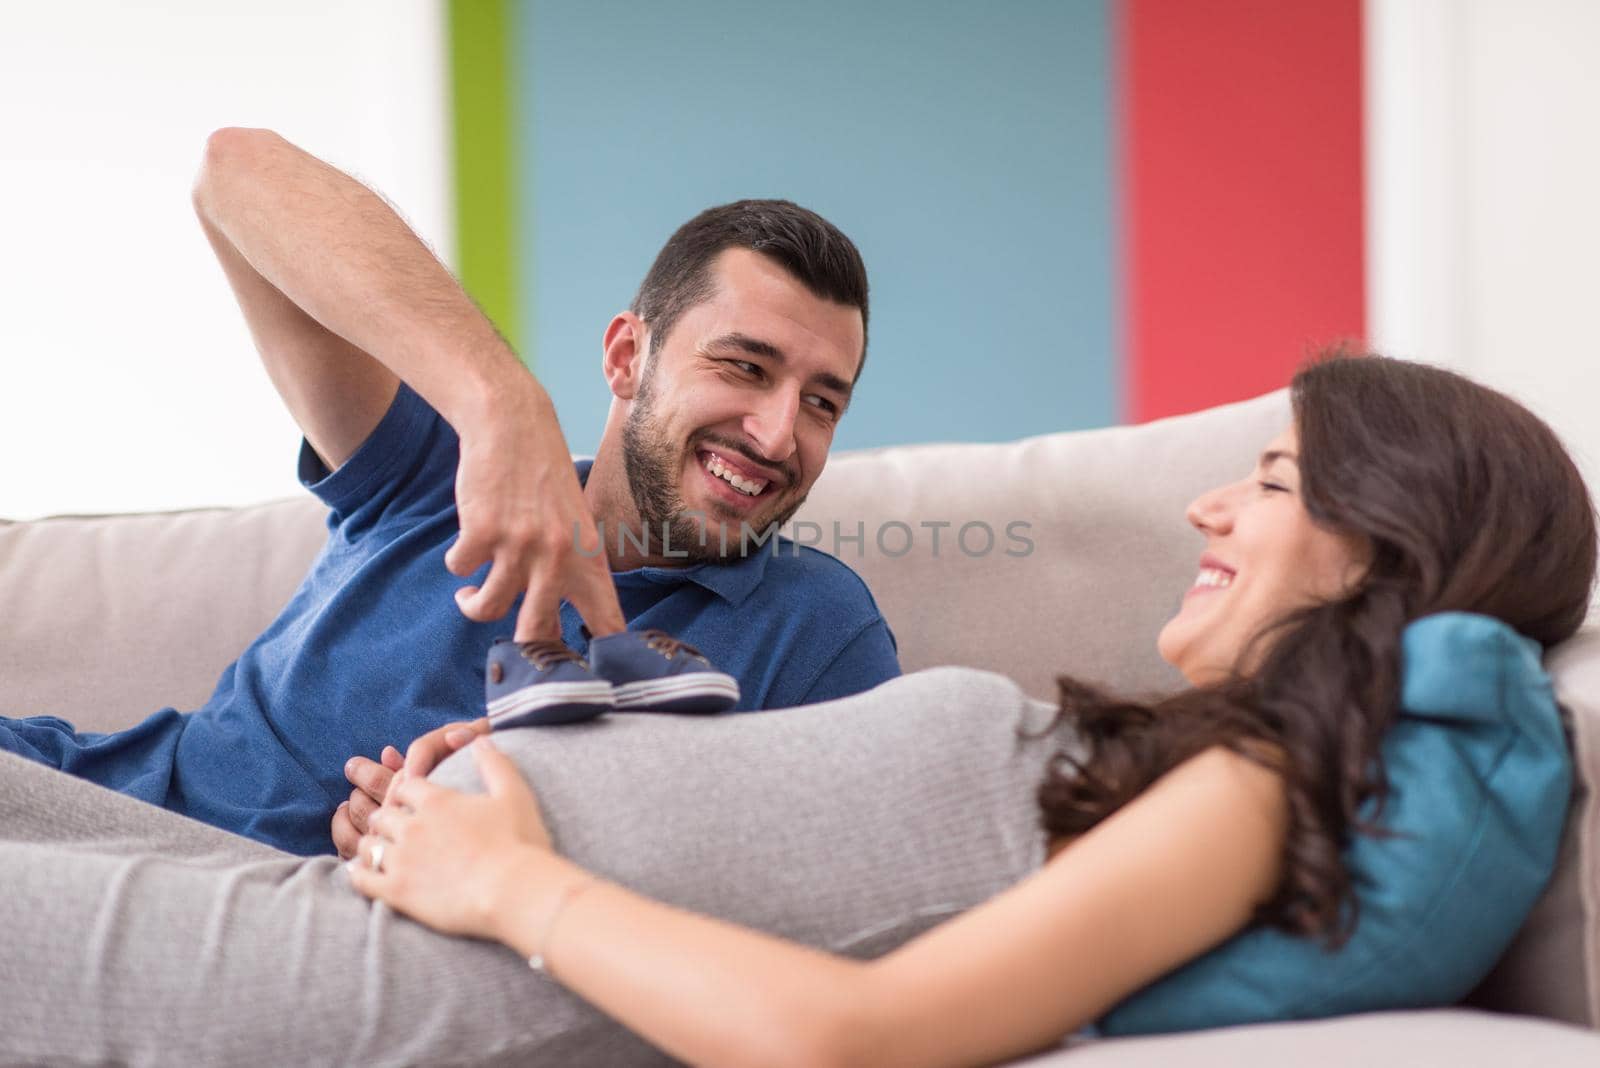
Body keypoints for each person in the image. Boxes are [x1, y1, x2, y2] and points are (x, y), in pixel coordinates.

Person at [0, 354, 1589, 1067]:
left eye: (1268, 482)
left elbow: (859, 1035)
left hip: (401, 964)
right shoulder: (1183, 769)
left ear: (1384, 543)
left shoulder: (1253, 792)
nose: (1206, 512)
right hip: (375, 888)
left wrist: (515, 882)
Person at [0, 129, 900, 858]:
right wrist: (498, 401)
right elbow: (237, 173)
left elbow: (828, 890)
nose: (779, 435)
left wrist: (499, 829)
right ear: (628, 358)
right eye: (745, 367)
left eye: (823, 402)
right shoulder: (443, 469)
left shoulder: (813, 628)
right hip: (100, 822)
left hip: (334, 951)